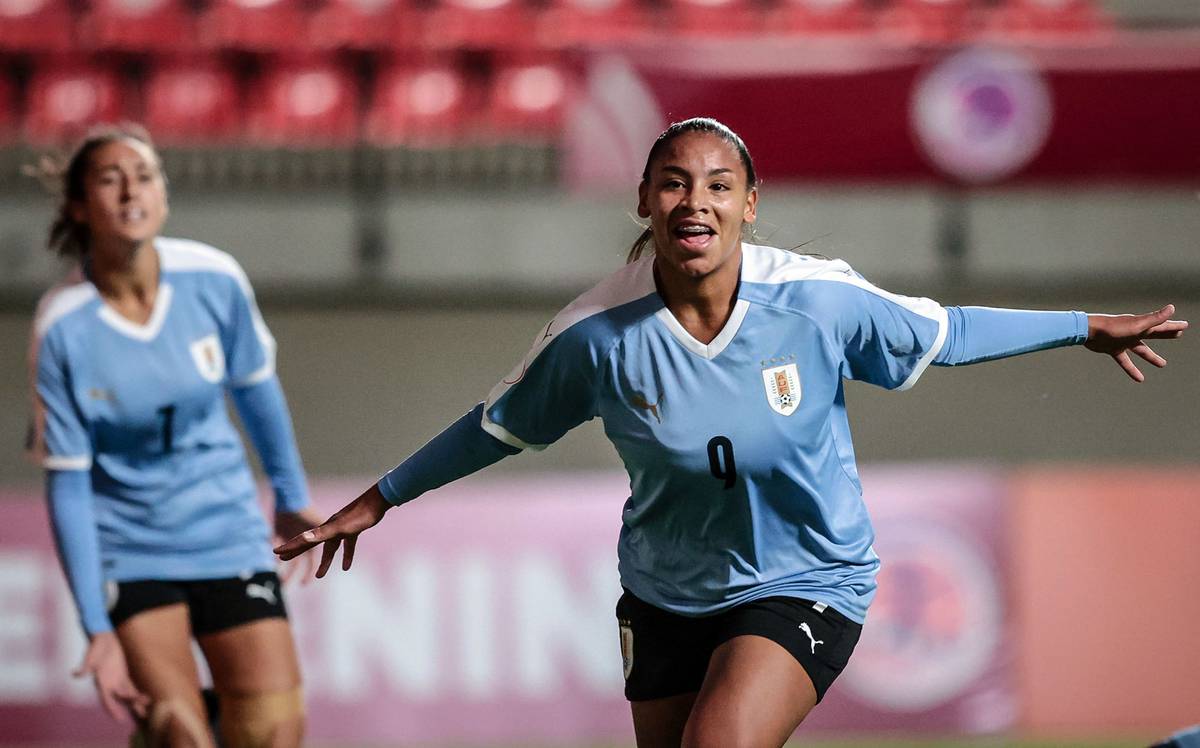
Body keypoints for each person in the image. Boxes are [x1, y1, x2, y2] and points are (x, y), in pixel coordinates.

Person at [275, 117, 1187, 748]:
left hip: (807, 579)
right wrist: (378, 499)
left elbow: (946, 331)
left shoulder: (819, 302)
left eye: (718, 184)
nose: (694, 201)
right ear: (643, 201)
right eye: (673, 183)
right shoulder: (595, 338)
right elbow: (494, 429)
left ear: (751, 205)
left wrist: (1083, 325)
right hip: (665, 596)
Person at [26, 124, 322, 748]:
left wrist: (290, 495)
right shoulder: (63, 329)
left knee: (276, 731)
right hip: (131, 549)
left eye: (146, 174)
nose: (131, 189)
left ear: (164, 194)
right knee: (179, 733)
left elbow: (257, 390)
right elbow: (69, 488)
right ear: (80, 206)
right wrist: (95, 628)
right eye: (110, 178)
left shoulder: (215, 279)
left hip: (226, 531)